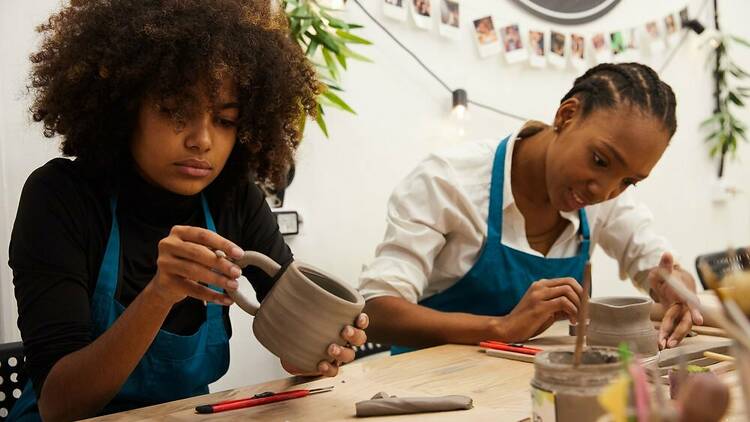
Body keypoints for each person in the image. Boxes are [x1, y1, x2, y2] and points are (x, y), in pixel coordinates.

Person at [8, 1, 367, 420]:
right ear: (125, 107)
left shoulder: (234, 199)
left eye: (225, 120)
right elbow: (59, 404)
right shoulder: (61, 197)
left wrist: (319, 351)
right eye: (176, 110)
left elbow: (295, 350)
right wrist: (160, 294)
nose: (202, 140)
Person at [358, 62, 703, 354]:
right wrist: (501, 327)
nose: (604, 190)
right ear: (566, 115)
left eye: (628, 181)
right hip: (428, 394)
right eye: (599, 161)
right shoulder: (447, 181)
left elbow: (655, 264)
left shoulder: (605, 199)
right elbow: (376, 312)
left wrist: (677, 288)